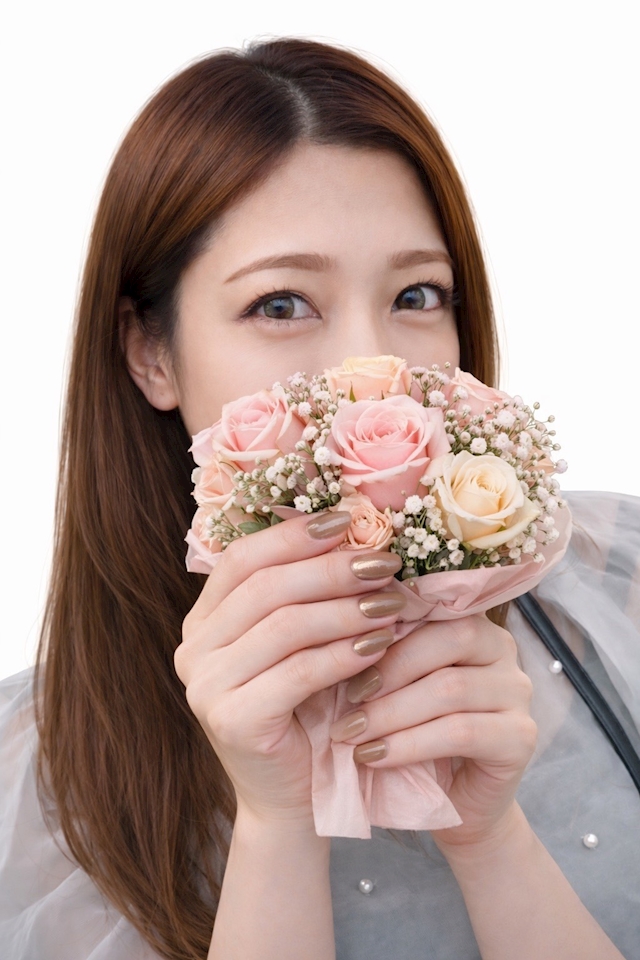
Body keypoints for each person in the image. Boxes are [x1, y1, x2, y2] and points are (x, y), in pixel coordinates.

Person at [0, 37, 638, 960]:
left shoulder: (618, 592)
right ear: (151, 355)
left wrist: (491, 840)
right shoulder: (35, 780)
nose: (371, 372)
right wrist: (276, 826)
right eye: (281, 305)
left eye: (417, 294)